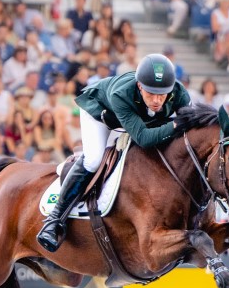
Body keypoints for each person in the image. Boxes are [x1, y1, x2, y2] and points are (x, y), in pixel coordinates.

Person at [36, 53, 191, 251]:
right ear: (140, 86)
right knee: (94, 160)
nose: (157, 100)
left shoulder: (179, 93)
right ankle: (54, 219)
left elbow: (190, 128)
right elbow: (143, 138)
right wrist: (176, 124)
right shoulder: (122, 93)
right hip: (101, 115)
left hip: (132, 121)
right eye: (150, 93)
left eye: (162, 94)